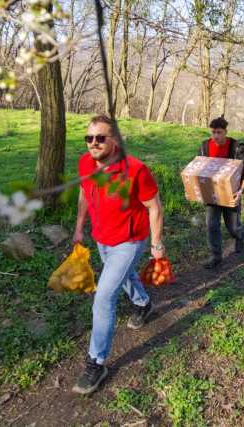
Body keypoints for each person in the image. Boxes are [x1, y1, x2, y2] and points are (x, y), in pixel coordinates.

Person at [71, 114, 165, 394]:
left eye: (100, 138)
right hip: (102, 239)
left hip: (129, 241)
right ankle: (143, 303)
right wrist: (79, 227)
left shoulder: (136, 170)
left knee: (104, 297)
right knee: (125, 278)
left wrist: (156, 244)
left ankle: (96, 363)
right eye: (89, 138)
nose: (93, 143)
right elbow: (84, 193)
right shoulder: (85, 163)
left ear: (115, 140)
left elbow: (155, 207)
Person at [196, 116, 244, 269]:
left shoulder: (237, 148)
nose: (215, 136)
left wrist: (240, 191)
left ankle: (239, 238)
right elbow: (197, 170)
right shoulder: (204, 147)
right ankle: (216, 256)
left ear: (225, 132)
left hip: (232, 195)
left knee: (233, 227)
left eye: (219, 132)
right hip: (212, 196)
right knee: (212, 225)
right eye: (213, 132)